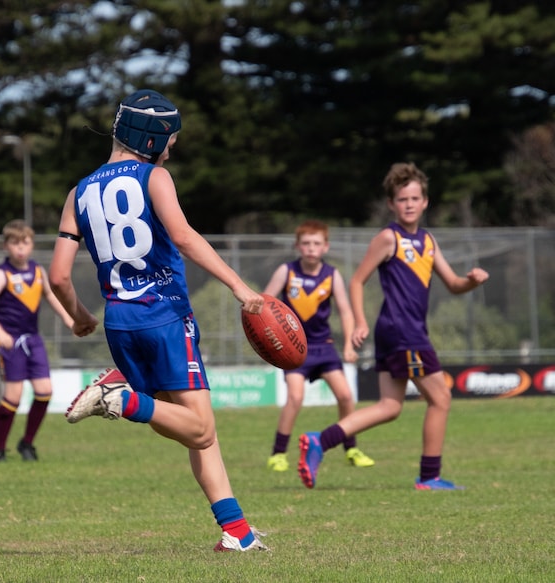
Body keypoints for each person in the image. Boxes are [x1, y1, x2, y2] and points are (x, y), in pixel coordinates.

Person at [48, 89, 268, 552]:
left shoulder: (77, 193)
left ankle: (237, 532)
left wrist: (80, 317)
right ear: (151, 139)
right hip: (164, 315)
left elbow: (59, 276)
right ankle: (119, 399)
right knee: (201, 429)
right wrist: (240, 287)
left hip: (119, 322)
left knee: (188, 426)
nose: (171, 150)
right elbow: (184, 238)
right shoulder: (154, 177)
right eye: (170, 140)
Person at [297, 162, 489, 491]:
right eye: (402, 199)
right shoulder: (389, 238)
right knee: (441, 398)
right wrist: (359, 321)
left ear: (425, 202)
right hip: (403, 332)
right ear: (391, 204)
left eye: (415, 198)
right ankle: (429, 476)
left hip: (402, 332)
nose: (409, 204)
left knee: (390, 407)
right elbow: (357, 281)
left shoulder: (428, 241)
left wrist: (471, 280)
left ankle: (320, 441)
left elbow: (454, 284)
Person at [263, 220, 375, 472]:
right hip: (294, 349)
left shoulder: (332, 275)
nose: (311, 248)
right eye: (306, 243)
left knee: (345, 396)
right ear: (297, 246)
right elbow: (265, 303)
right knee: (295, 397)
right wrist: (269, 338)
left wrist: (349, 345)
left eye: (316, 243)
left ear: (325, 247)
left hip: (324, 347)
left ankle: (351, 449)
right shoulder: (286, 272)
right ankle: (278, 453)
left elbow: (345, 311)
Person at [0, 219, 75, 462]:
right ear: (6, 246)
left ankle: (27, 444)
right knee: (13, 396)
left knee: (45, 392)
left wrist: (69, 319)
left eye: (25, 242)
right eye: (15, 243)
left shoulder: (38, 271)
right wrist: (0, 333)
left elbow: (51, 296)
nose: (20, 248)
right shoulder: (2, 274)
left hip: (33, 341)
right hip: (10, 343)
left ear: (32, 245)